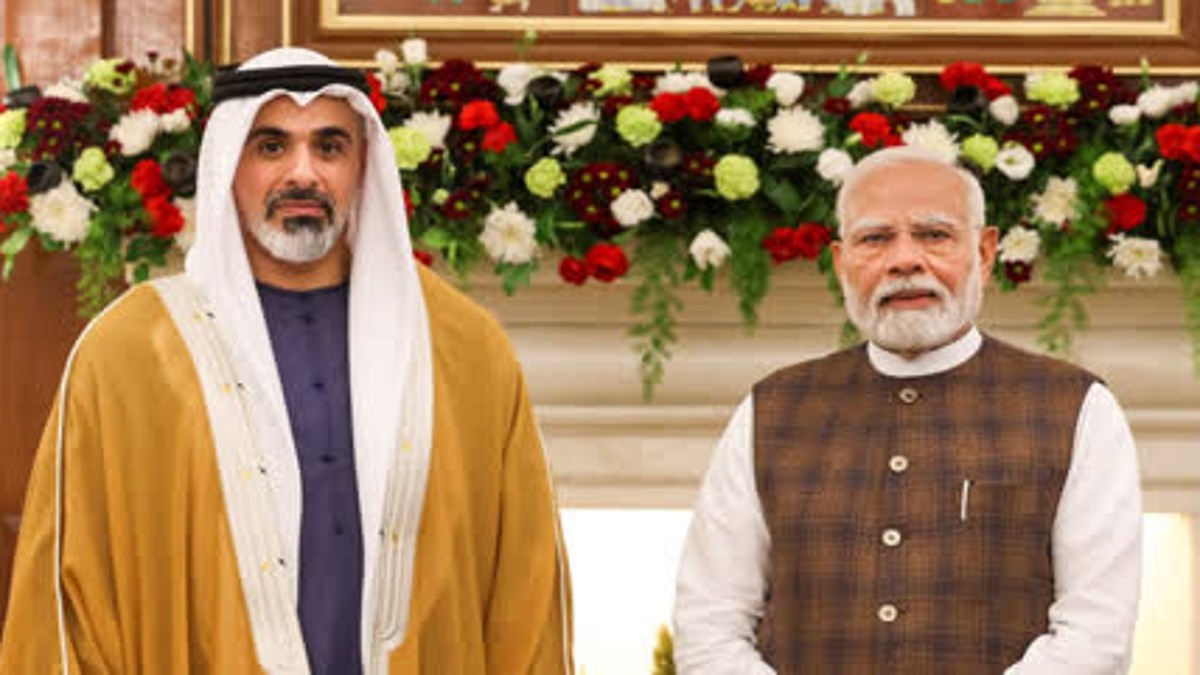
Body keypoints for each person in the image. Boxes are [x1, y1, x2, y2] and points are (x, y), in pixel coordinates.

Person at [0, 47, 572, 675]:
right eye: (271, 146)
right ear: (228, 165)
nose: (304, 173)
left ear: (362, 168)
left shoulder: (463, 348)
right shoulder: (129, 354)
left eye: (329, 147)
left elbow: (526, 595)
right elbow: (68, 606)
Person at [672, 146, 1142, 674]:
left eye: (933, 235)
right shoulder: (772, 408)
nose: (904, 260)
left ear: (985, 253)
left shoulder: (1076, 407)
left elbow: (1095, 635)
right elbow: (709, 624)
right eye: (874, 239)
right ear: (841, 262)